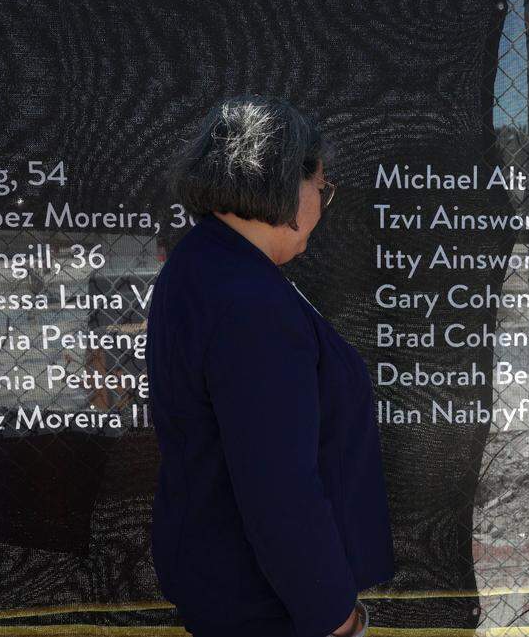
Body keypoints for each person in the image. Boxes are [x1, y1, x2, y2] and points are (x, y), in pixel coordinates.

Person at [147, 95, 394, 637]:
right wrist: (335, 617)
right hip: (270, 602)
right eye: (322, 187)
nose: (324, 205)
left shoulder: (202, 264)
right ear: (286, 181)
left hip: (226, 581)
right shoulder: (250, 301)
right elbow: (279, 488)